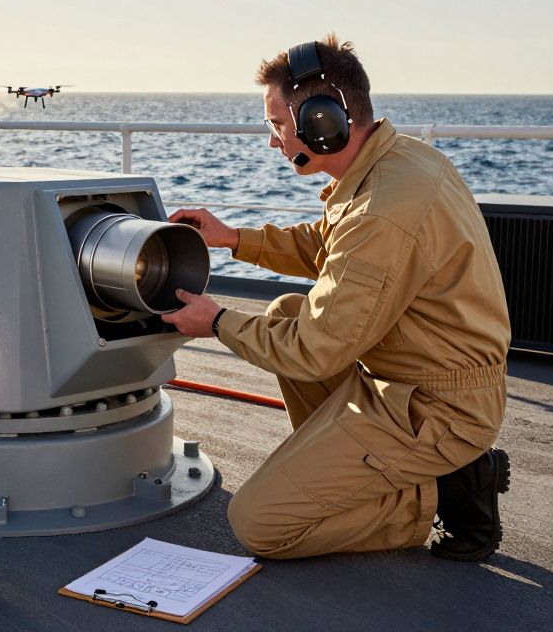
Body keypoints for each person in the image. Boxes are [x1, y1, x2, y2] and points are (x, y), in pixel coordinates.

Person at [163, 35, 512, 561]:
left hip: (437, 407)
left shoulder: (383, 209)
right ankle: (367, 474)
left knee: (259, 524)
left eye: (278, 125)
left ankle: (441, 490)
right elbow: (328, 245)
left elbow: (315, 351)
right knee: (286, 311)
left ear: (321, 123)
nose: (274, 141)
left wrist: (216, 322)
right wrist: (232, 237)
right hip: (408, 372)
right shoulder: (395, 163)